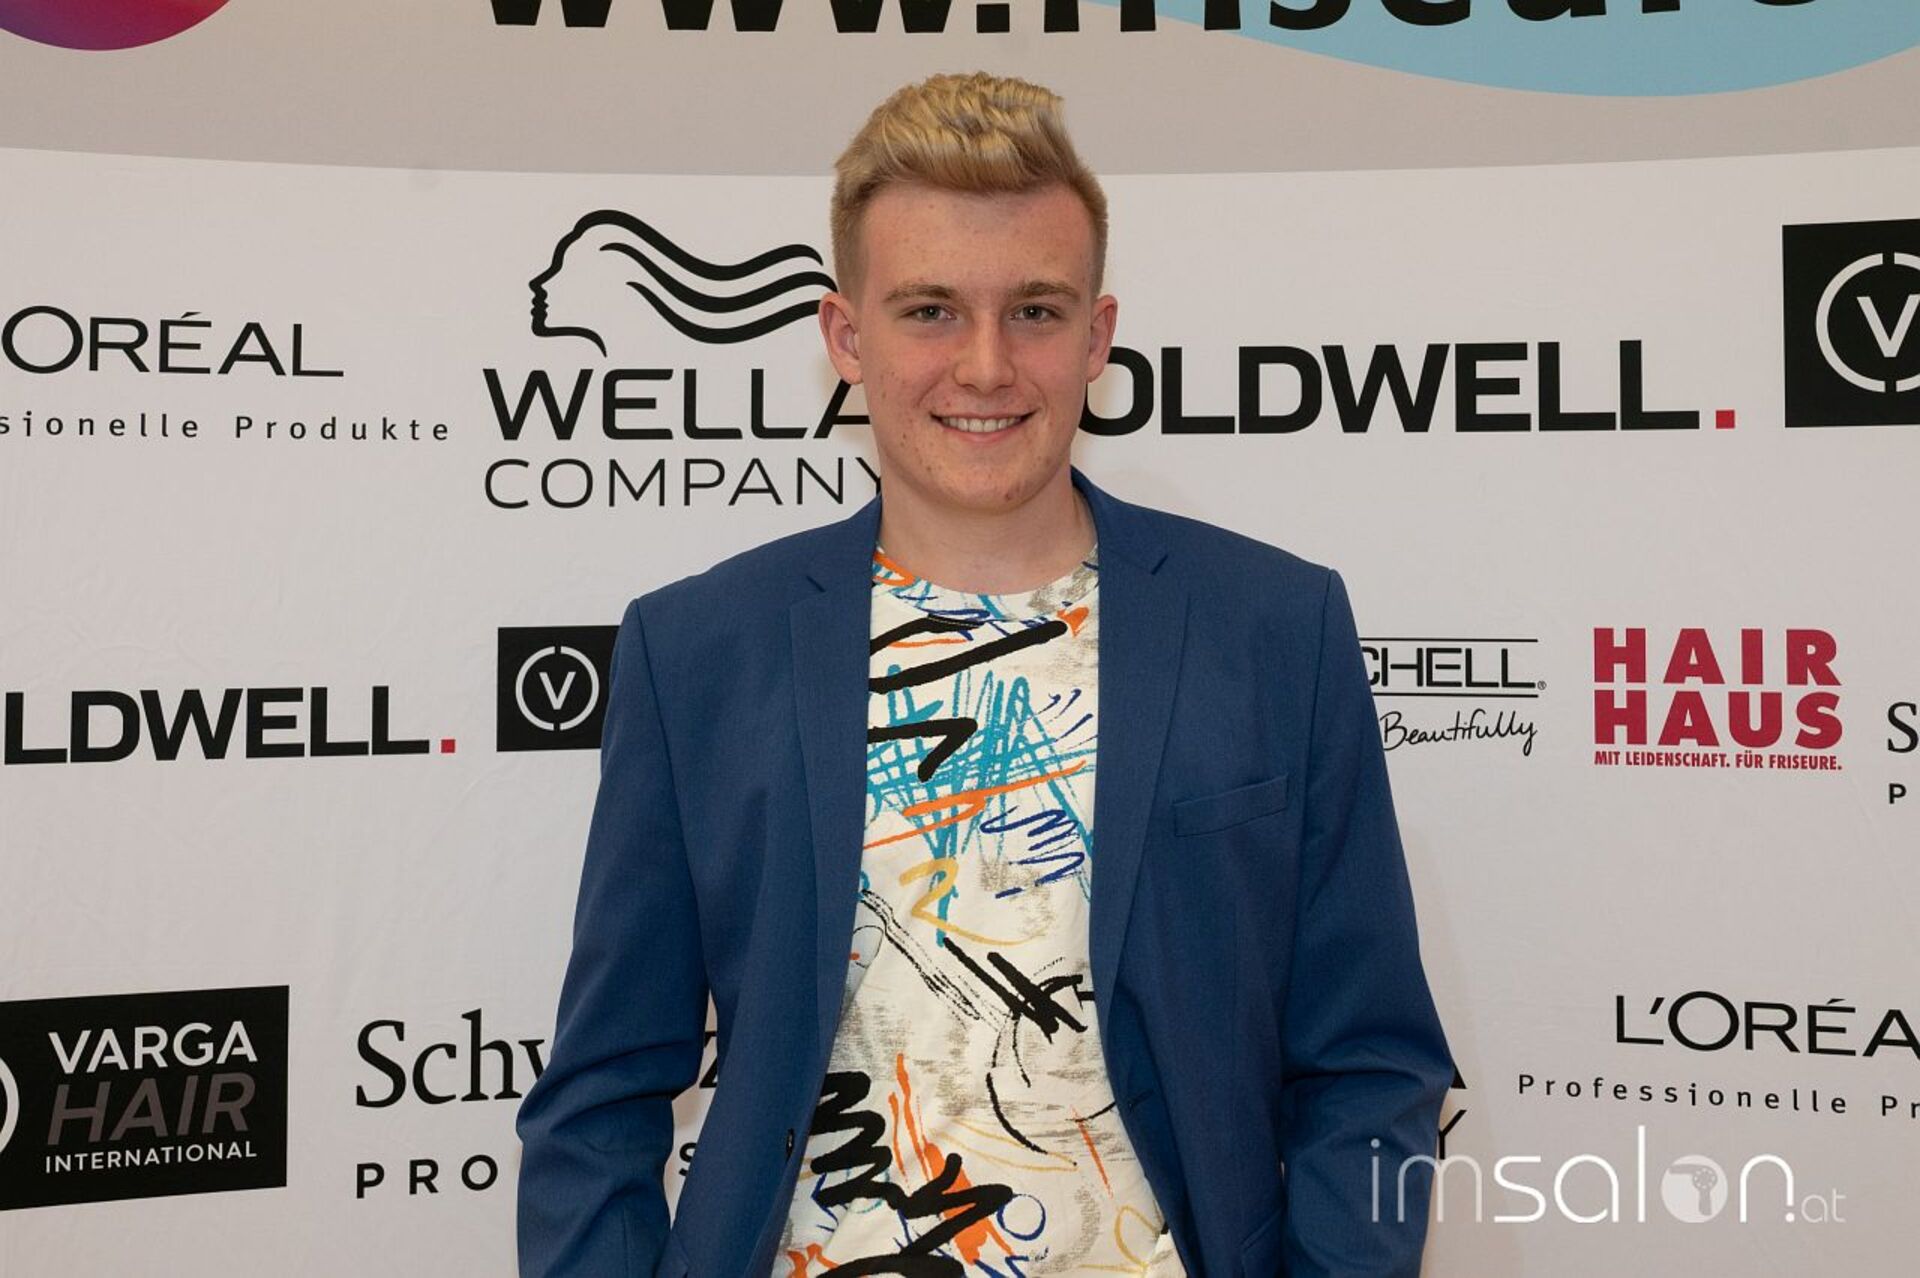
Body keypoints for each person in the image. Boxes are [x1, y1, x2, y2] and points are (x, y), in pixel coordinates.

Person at [516, 71, 1452, 1278]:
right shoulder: (698, 649)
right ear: (845, 338)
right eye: (930, 311)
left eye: (1036, 312)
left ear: (1097, 338)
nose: (986, 366)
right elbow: (599, 1099)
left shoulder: (1275, 629)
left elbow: (1370, 1063)